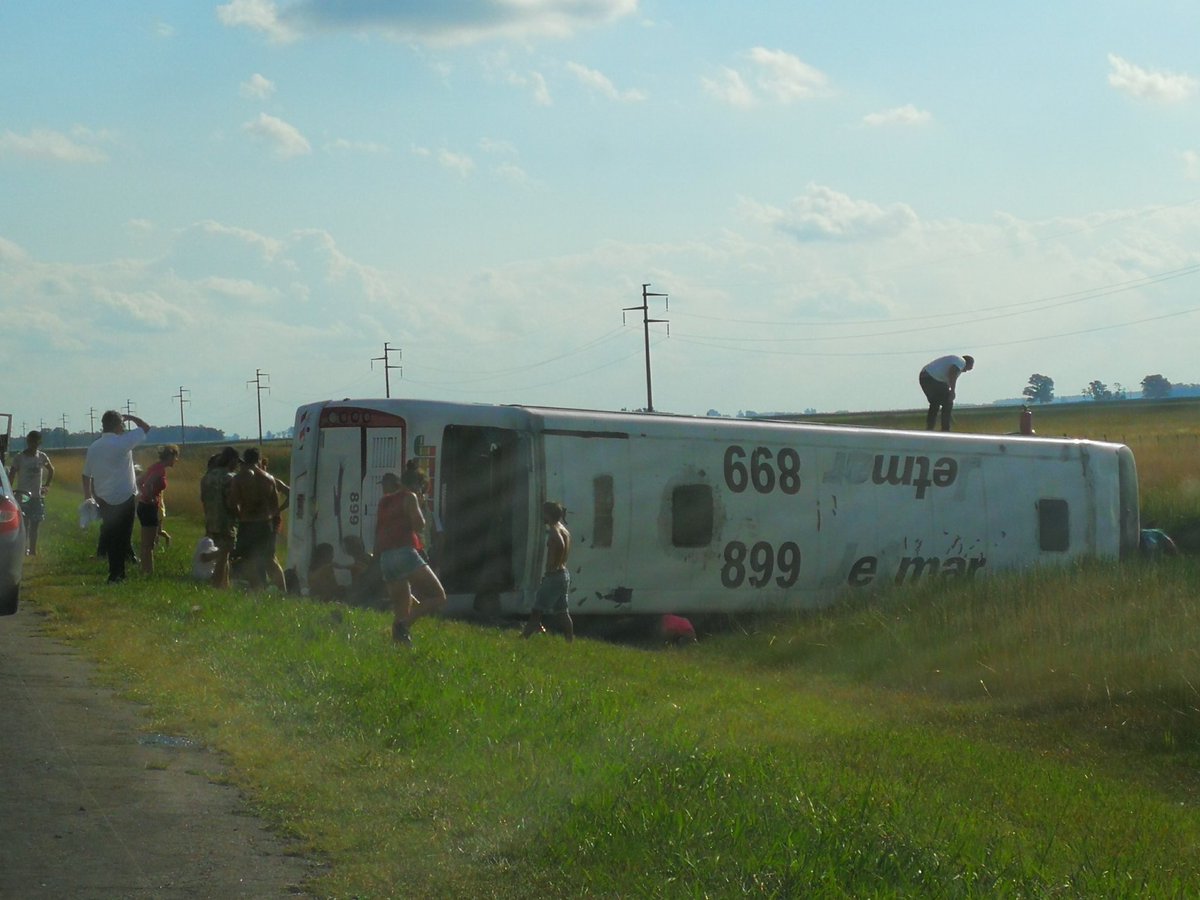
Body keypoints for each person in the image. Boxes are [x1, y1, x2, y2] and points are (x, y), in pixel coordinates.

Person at [375, 469, 446, 645]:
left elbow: (379, 530)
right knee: (438, 596)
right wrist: (419, 503)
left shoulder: (384, 501)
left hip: (386, 558)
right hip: (404, 553)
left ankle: (399, 646)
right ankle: (404, 625)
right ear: (418, 486)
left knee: (401, 606)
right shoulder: (410, 497)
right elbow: (419, 525)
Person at [82, 411, 151, 583]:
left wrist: (88, 496)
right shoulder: (123, 442)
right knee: (124, 536)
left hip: (103, 497)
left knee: (112, 535)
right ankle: (118, 573)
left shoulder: (94, 447)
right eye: (122, 424)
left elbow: (86, 475)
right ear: (118, 425)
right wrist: (133, 417)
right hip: (125, 495)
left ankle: (115, 572)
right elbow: (145, 427)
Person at [226, 447, 281, 591]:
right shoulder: (269, 479)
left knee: (248, 559)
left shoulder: (239, 479)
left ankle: (258, 589)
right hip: (265, 523)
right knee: (270, 559)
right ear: (258, 459)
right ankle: (283, 590)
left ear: (244, 459)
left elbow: (233, 502)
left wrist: (240, 514)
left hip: (247, 523)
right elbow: (275, 506)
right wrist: (274, 522)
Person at [522, 501, 574, 642]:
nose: (541, 516)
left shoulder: (554, 531)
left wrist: (551, 568)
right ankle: (569, 640)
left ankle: (524, 638)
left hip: (554, 575)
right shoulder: (564, 529)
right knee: (563, 612)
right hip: (564, 574)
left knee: (537, 610)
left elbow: (558, 544)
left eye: (543, 513)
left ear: (548, 514)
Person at [8, 430, 54, 556]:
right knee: (24, 523)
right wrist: (9, 491)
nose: (33, 445)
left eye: (35, 442)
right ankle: (24, 549)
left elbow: (51, 470)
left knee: (35, 523)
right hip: (23, 495)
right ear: (28, 442)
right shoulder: (19, 457)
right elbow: (12, 474)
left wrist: (46, 485)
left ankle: (33, 550)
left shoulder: (42, 457)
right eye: (30, 441)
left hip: (37, 496)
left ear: (39, 443)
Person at [136, 444, 180, 575]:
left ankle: (145, 571)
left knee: (147, 544)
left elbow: (139, 482)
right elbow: (148, 483)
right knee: (149, 544)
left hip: (144, 506)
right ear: (171, 456)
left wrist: (144, 495)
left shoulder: (155, 467)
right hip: (149, 507)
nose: (176, 461)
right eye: (176, 457)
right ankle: (148, 573)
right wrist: (150, 497)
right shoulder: (160, 470)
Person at [200, 447, 240, 589]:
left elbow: (203, 499)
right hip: (226, 522)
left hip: (211, 521)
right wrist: (240, 515)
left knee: (224, 554)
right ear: (232, 460)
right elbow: (231, 502)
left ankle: (225, 585)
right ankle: (216, 586)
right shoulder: (230, 478)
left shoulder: (207, 477)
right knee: (224, 555)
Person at [919, 354, 974, 432]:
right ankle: (945, 429)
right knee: (948, 401)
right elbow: (952, 373)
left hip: (924, 376)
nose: (965, 371)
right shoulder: (961, 362)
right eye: (968, 368)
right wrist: (952, 391)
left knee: (935, 403)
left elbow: (947, 381)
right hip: (932, 377)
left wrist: (949, 390)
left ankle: (930, 428)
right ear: (968, 363)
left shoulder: (955, 361)